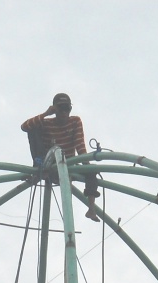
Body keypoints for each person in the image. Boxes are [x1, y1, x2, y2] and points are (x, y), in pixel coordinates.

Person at [20, 93, 99, 221]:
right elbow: (25, 127)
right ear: (55, 109)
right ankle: (39, 168)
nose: (63, 113)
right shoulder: (46, 123)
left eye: (66, 109)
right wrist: (46, 113)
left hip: (68, 165)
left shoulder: (75, 121)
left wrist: (87, 165)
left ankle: (91, 209)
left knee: (92, 171)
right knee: (33, 129)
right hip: (48, 163)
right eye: (60, 109)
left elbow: (80, 145)